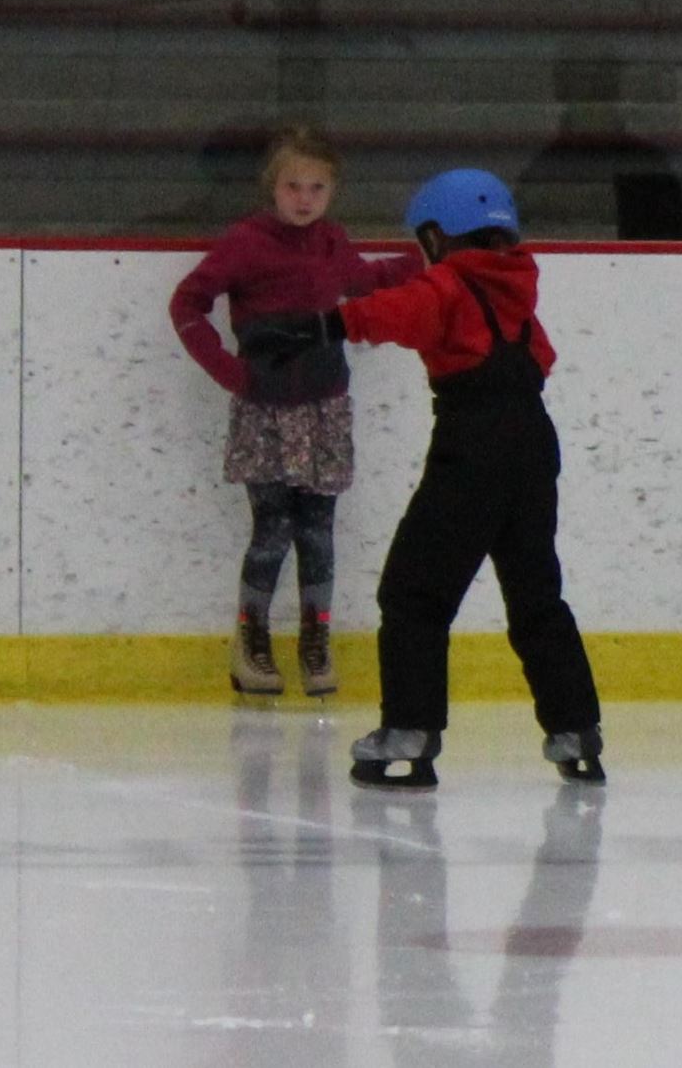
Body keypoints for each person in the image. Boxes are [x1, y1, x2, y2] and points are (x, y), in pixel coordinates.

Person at [249, 169, 605, 789]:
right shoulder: (517, 290)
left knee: (414, 593)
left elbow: (399, 311)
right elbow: (541, 358)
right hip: (533, 444)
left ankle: (410, 730)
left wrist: (320, 327)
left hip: (472, 446)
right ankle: (576, 731)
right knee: (536, 596)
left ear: (439, 236)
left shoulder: (448, 283)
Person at [169, 125, 421, 698]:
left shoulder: (332, 241)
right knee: (272, 529)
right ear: (272, 188)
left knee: (319, 530)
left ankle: (316, 638)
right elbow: (188, 301)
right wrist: (228, 371)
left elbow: (366, 280)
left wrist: (423, 258)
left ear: (331, 193)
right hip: (266, 409)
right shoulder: (246, 242)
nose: (304, 199)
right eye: (292, 186)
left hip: (325, 403)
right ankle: (251, 639)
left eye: (316, 188)